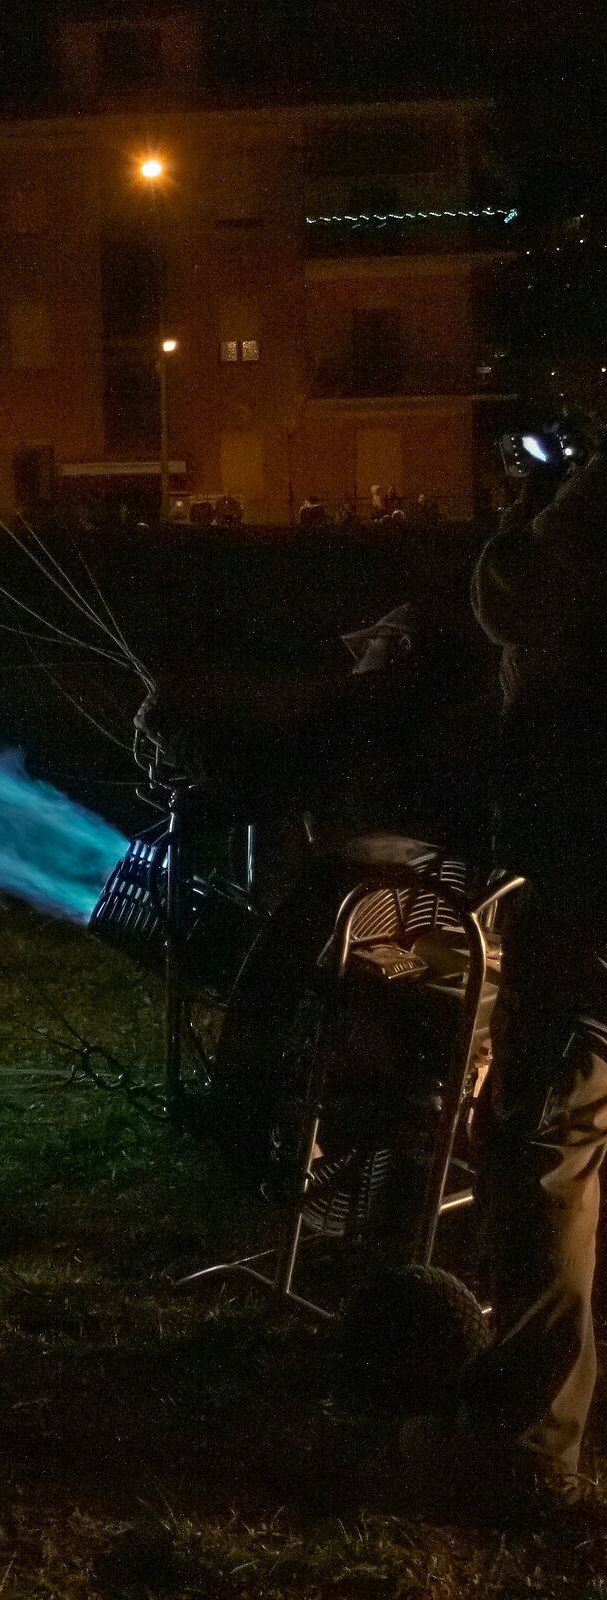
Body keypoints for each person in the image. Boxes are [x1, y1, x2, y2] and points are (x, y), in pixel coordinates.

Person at [451, 435, 607, 1523]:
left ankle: (535, 1443)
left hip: (591, 867)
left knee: (553, 1138)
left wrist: (525, 508)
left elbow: (520, 601)